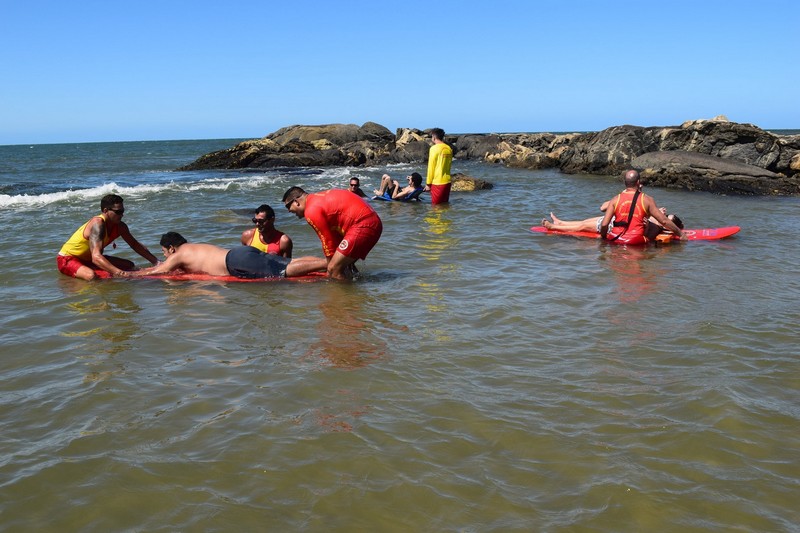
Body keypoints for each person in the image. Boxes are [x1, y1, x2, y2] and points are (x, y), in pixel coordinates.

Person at [124, 232, 327, 279]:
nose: (166, 255)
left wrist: (130, 275)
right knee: (289, 262)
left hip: (236, 262)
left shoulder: (179, 254)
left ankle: (329, 264)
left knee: (284, 271)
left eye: (164, 252)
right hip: (238, 253)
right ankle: (328, 262)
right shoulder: (193, 247)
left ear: (171, 248)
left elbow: (160, 271)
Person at [282, 187, 382, 280]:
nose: (289, 211)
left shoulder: (311, 210)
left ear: (296, 202)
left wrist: (331, 268)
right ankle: (354, 286)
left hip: (363, 224)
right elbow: (334, 238)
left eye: (288, 206)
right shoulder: (317, 198)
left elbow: (327, 241)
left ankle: (344, 293)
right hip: (371, 221)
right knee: (343, 265)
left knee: (333, 269)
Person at [57, 194, 159, 280]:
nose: (122, 215)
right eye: (118, 212)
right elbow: (96, 258)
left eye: (123, 211)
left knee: (129, 265)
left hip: (89, 259)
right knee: (92, 276)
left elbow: (134, 244)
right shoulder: (98, 224)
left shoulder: (120, 226)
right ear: (105, 210)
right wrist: (122, 274)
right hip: (68, 258)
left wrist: (156, 262)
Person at [599, 170, 684, 244]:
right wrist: (681, 235)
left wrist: (604, 238)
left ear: (625, 183)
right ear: (638, 182)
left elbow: (604, 224)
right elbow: (664, 221)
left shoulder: (615, 199)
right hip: (634, 241)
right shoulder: (647, 200)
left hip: (615, 238)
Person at [542, 204, 684, 237]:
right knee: (583, 221)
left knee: (582, 227)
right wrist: (657, 210)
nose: (665, 217)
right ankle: (561, 222)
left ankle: (553, 228)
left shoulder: (657, 228)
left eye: (667, 219)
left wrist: (646, 225)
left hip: (613, 226)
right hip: (615, 219)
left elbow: (646, 235)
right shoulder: (656, 219)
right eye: (667, 216)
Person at [424, 128, 453, 205]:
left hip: (438, 183)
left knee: (436, 207)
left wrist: (428, 184)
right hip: (447, 181)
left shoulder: (434, 148)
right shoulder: (448, 148)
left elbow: (431, 167)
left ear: (434, 137)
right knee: (445, 206)